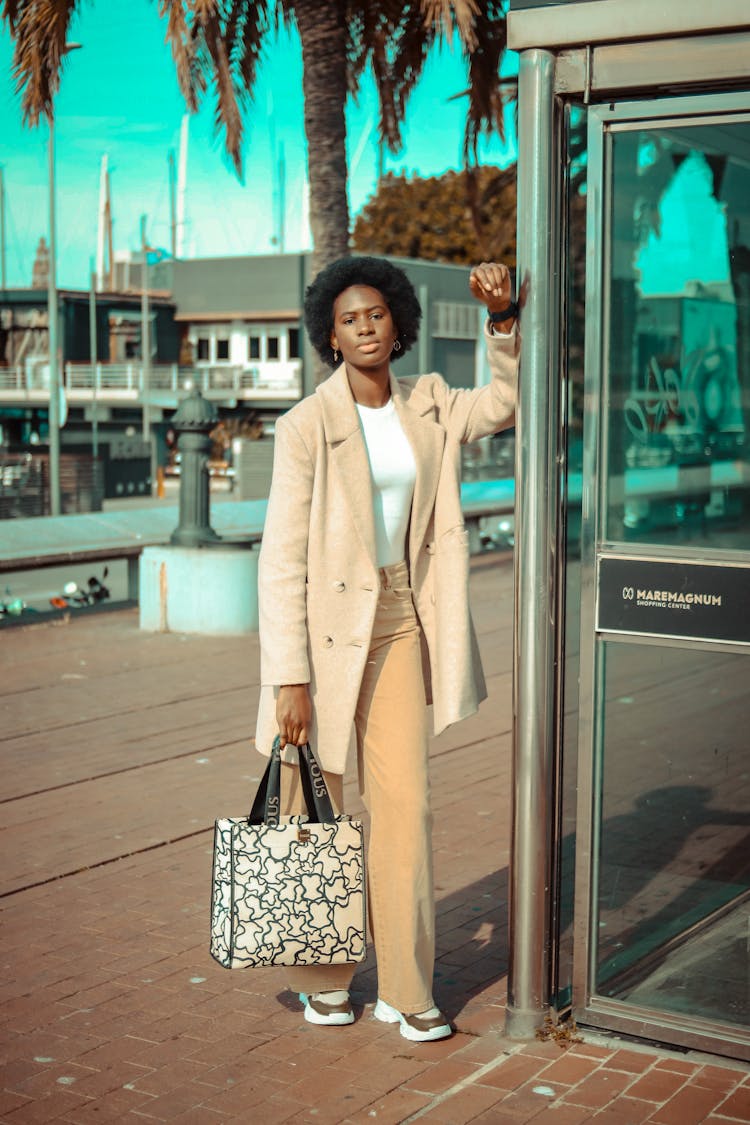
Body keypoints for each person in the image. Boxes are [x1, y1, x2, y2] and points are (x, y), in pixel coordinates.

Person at [255, 255, 519, 1042]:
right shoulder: (305, 425)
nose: (365, 327)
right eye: (348, 319)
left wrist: (502, 324)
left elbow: (504, 403)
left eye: (376, 314)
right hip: (325, 638)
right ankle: (324, 980)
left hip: (403, 620)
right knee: (317, 811)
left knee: (407, 804)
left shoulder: (431, 401)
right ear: (330, 338)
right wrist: (288, 677)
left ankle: (407, 987)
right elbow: (281, 558)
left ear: (398, 324)